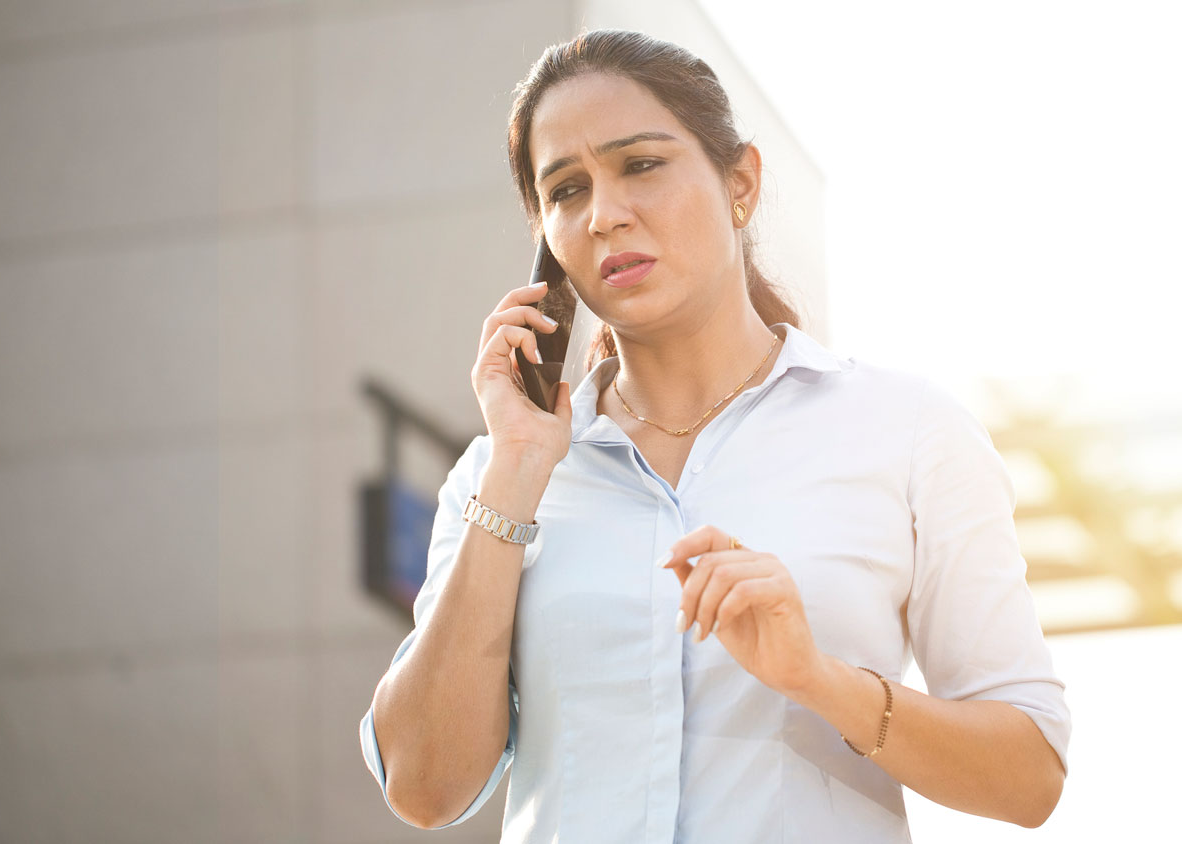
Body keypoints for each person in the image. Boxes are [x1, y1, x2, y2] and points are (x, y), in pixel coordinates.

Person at [359, 28, 1070, 842]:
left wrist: (819, 679)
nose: (605, 214)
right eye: (565, 190)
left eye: (641, 165)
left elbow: (1031, 775)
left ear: (741, 183)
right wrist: (516, 473)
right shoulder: (496, 475)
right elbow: (423, 789)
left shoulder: (908, 433)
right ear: (544, 247)